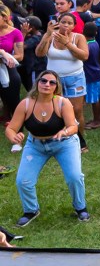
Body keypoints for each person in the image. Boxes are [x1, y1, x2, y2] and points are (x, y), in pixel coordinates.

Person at [4, 70, 89, 226]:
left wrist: (64, 132)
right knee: (23, 181)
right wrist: (13, 137)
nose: (47, 84)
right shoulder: (26, 104)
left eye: (52, 82)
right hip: (35, 145)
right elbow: (10, 129)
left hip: (65, 144)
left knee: (74, 177)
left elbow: (73, 127)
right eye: (43, 81)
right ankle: (31, 210)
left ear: (56, 87)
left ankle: (80, 208)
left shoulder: (63, 102)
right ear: (37, 83)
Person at [35, 13, 90, 152]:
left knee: (76, 110)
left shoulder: (78, 37)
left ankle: (79, 140)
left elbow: (84, 56)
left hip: (75, 78)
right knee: (56, 110)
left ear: (74, 26)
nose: (66, 25)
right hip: (54, 80)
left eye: (69, 23)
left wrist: (67, 43)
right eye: (63, 22)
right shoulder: (50, 36)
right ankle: (60, 137)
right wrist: (47, 35)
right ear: (58, 22)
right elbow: (39, 53)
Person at [0, 4, 24, 124]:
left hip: (8, 67)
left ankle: (17, 123)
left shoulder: (15, 33)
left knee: (13, 98)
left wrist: (4, 58)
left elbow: (20, 56)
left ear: (4, 17)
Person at [81, 23, 100, 129]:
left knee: (94, 99)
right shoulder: (95, 43)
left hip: (90, 75)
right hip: (97, 73)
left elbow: (84, 58)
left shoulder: (87, 45)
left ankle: (96, 121)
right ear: (96, 32)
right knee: (99, 97)